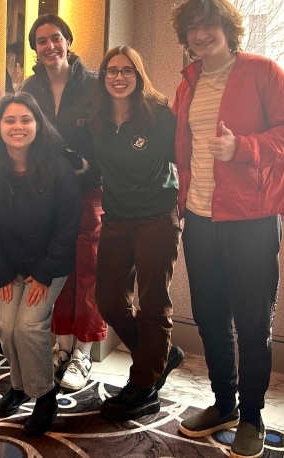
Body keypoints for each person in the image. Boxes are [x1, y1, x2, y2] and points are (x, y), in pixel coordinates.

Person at [171, 0, 284, 458]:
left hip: (251, 220)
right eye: (192, 28)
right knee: (211, 318)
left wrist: (244, 149)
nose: (200, 34)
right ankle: (224, 404)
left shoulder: (263, 72)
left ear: (227, 27)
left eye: (207, 25)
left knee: (253, 323)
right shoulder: (189, 81)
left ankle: (254, 416)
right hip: (199, 219)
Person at [0, 92, 82, 435]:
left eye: (26, 120)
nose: (18, 127)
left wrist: (45, 273)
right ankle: (19, 386)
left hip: (49, 266)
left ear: (38, 125)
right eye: (9, 120)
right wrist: (1, 271)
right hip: (9, 267)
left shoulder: (58, 167)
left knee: (29, 327)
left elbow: (68, 226)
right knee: (6, 327)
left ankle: (45, 396)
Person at [91, 46, 183, 422]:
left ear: (139, 75)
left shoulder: (158, 117)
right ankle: (161, 357)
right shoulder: (97, 118)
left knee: (153, 303)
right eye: (112, 70)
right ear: (103, 77)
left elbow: (187, 160)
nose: (119, 76)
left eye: (127, 70)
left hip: (156, 219)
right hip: (115, 218)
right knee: (109, 301)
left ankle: (144, 385)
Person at [22, 13, 106, 391]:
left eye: (56, 38)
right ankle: (62, 345)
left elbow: (106, 142)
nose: (50, 46)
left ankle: (84, 352)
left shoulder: (94, 86)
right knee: (58, 267)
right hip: (46, 194)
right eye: (41, 41)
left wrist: (86, 168)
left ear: (68, 41)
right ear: (35, 50)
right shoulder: (30, 87)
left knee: (88, 269)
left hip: (88, 190)